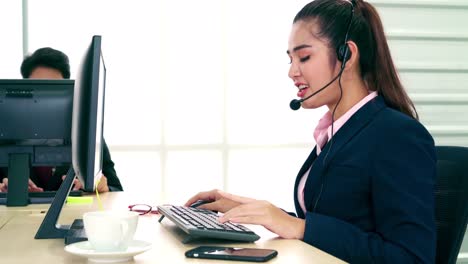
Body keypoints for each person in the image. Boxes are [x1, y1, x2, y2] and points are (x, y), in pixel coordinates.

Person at [185, 0, 436, 263]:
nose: (292, 72)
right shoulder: (337, 132)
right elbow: (334, 226)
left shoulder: (397, 135)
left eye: (304, 57)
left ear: (347, 55)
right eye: (291, 59)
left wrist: (301, 227)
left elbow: (412, 257)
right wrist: (249, 210)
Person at [0, 47, 123, 193]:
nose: (44, 98)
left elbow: (116, 189)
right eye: (38, 87)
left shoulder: (88, 136)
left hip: (71, 216)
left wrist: (104, 187)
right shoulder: (4, 134)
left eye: (53, 88)